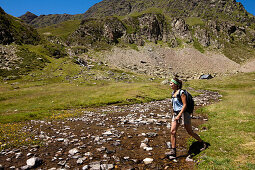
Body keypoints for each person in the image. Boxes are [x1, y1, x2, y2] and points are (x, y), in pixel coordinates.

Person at [169, 77, 205, 158]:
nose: (170, 84)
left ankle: (202, 142)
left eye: (171, 83)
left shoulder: (181, 93)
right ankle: (173, 151)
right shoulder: (173, 93)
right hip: (175, 114)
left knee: (189, 132)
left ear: (176, 84)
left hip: (183, 114)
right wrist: (174, 114)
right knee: (172, 132)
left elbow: (184, 105)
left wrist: (179, 115)